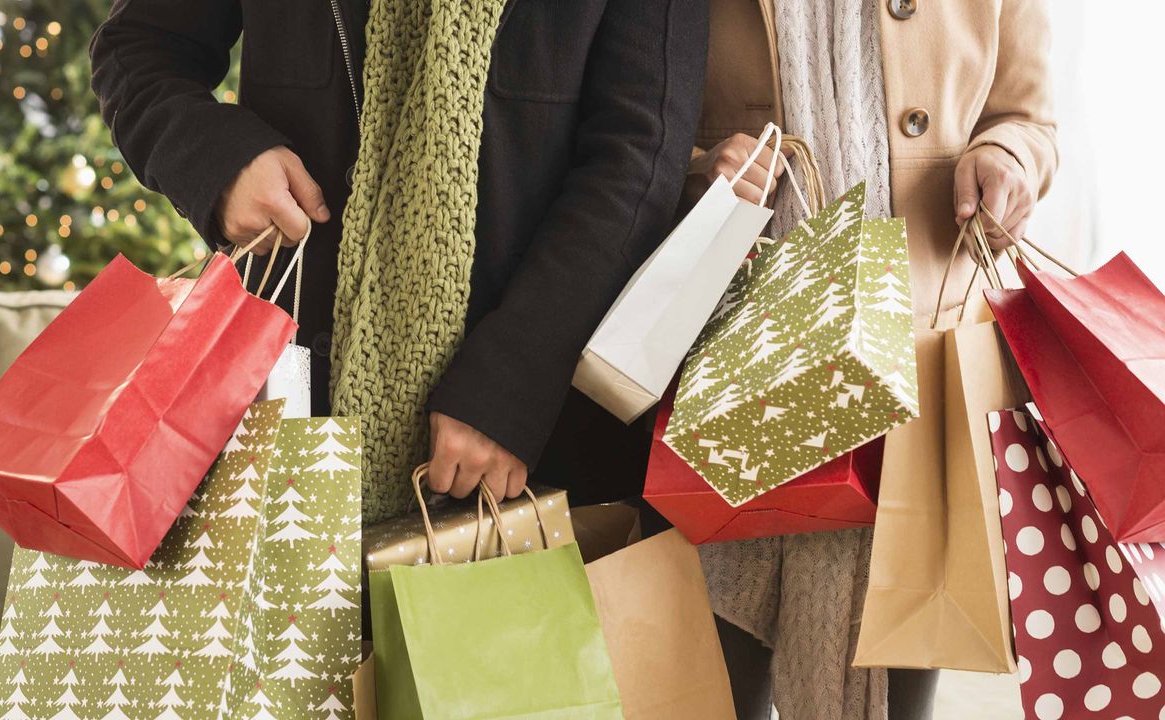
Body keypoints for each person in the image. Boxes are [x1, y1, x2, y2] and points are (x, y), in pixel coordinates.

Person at [89, 1, 706, 524]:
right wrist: (220, 164)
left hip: (538, 433)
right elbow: (137, 50)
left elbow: (640, 156)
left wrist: (510, 388)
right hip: (286, 411)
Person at [682, 1, 1056, 718]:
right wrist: (703, 171)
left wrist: (1007, 159)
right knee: (709, 682)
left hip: (922, 363)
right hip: (735, 357)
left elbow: (1028, 118)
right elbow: (626, 117)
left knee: (895, 669)